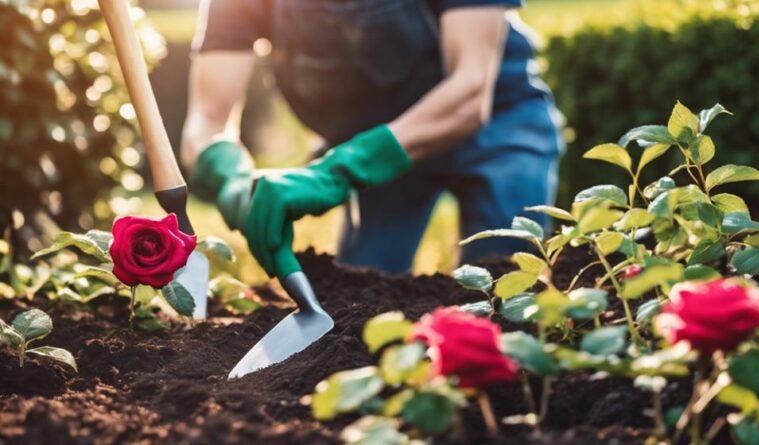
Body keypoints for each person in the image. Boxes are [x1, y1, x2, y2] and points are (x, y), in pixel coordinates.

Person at [182, 0, 564, 278]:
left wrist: (338, 171)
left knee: (504, 290)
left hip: (497, 130)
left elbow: (470, 92)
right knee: (360, 297)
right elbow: (204, 125)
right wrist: (236, 186)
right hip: (378, 154)